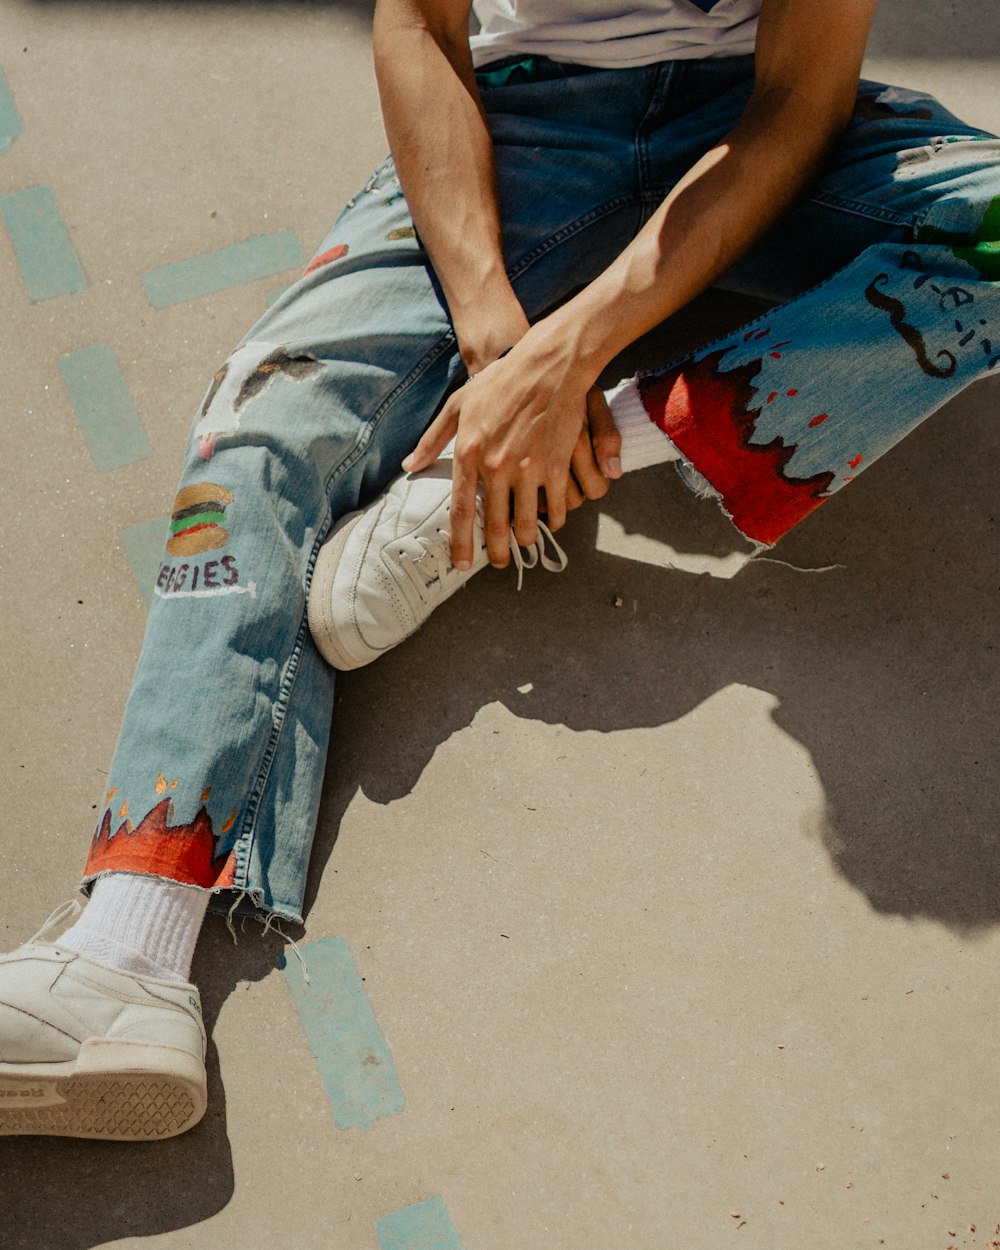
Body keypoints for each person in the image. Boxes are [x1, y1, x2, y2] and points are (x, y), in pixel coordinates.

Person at [1, 0, 997, 1140]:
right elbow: (419, 25)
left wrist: (568, 375)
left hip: (755, 122)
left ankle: (525, 469)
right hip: (527, 111)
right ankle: (125, 956)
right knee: (261, 428)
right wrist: (496, 345)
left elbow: (799, 98)